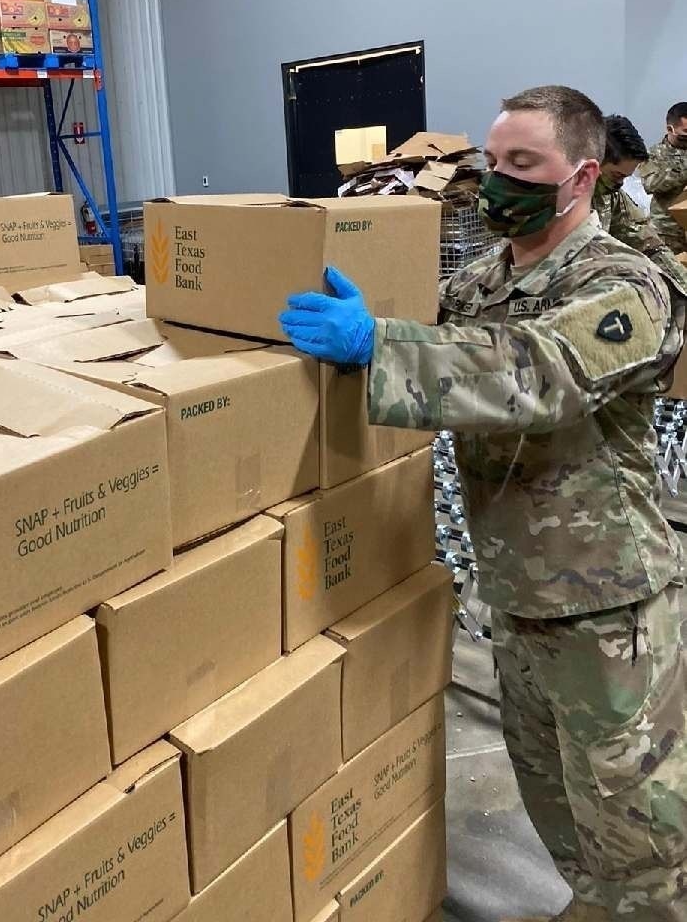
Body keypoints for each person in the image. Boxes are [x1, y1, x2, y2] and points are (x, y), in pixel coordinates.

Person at [280, 86, 686, 922]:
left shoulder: (629, 286)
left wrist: (379, 344)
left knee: (638, 826)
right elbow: (449, 358)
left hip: (605, 609)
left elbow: (537, 377)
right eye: (494, 162)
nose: (498, 181)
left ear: (578, 178)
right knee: (556, 802)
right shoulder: (478, 283)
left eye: (522, 165)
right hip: (511, 595)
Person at [595, 114, 687, 294]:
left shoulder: (613, 197)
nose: (620, 184)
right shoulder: (552, 197)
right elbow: (652, 183)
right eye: (617, 175)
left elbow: (649, 244)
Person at [638, 102, 687, 255]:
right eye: (685, 132)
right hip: (668, 231)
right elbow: (651, 184)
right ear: (670, 129)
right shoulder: (652, 155)